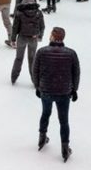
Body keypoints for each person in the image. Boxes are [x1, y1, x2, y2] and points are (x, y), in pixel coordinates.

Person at [32, 27, 80, 162]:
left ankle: (42, 137)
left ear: (52, 37)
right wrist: (74, 89)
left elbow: (35, 70)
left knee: (45, 113)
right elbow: (76, 73)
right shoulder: (71, 54)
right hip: (64, 92)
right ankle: (65, 148)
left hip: (46, 91)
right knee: (64, 121)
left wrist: (38, 86)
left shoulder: (42, 52)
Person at [11, 0, 45, 84]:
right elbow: (42, 26)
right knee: (32, 59)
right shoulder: (38, 12)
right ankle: (34, 80)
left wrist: (13, 39)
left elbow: (15, 27)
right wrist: (40, 36)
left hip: (22, 38)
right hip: (33, 38)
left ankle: (14, 77)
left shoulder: (19, 12)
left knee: (19, 58)